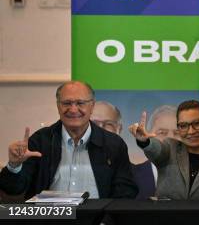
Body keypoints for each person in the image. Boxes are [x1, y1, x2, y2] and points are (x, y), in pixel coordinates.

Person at [0, 81, 138, 199]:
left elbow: (125, 192)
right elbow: (13, 190)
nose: (73, 109)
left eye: (80, 103)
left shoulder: (113, 144)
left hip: (97, 219)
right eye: (66, 103)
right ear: (58, 106)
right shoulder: (40, 141)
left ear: (92, 106)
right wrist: (14, 165)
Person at [129, 100, 199, 200]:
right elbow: (157, 150)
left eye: (197, 123)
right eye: (183, 126)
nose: (191, 131)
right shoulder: (170, 147)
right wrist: (145, 142)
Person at [132, 105, 179, 200]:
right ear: (148, 136)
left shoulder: (198, 175)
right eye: (162, 132)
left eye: (177, 133)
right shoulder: (131, 175)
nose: (170, 138)